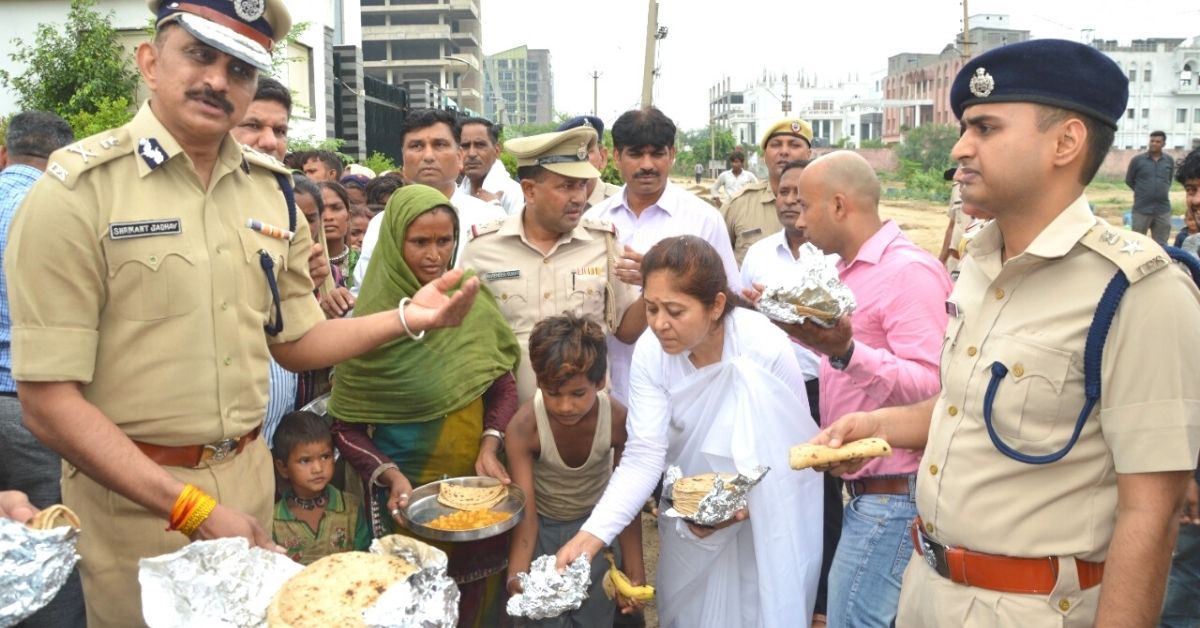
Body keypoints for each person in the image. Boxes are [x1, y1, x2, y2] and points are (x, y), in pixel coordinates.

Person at [4, 3, 483, 625]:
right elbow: (47, 401)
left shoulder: (270, 188)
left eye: (241, 68)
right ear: (149, 62)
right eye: (199, 55)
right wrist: (194, 511)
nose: (217, 80)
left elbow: (298, 338)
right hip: (136, 510)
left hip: (251, 490)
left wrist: (409, 317)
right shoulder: (77, 193)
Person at [814, 39, 1200, 627]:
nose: (961, 148)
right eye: (966, 127)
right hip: (927, 592)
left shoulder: (1138, 290)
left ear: (1065, 143)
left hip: (1031, 609)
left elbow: (1153, 509)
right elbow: (967, 405)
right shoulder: (978, 263)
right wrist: (880, 426)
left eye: (986, 128)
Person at [555, 235, 824, 628]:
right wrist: (591, 536)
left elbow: (797, 453)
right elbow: (645, 455)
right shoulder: (651, 352)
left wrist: (742, 507)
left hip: (769, 516)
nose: (660, 323)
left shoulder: (762, 344)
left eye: (675, 311)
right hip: (691, 518)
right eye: (651, 308)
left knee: (761, 608)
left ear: (716, 305)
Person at [768, 151, 950, 628]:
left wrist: (847, 352)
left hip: (896, 495)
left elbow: (936, 390)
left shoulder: (908, 273)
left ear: (840, 206)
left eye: (806, 207)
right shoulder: (847, 271)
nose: (799, 219)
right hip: (868, 491)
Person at [329, 184, 521, 625]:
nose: (435, 255)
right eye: (420, 242)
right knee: (405, 606)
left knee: (476, 604)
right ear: (395, 243)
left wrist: (490, 444)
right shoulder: (373, 321)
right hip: (405, 503)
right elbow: (345, 425)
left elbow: (503, 386)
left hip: (479, 497)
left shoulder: (472, 302)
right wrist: (390, 475)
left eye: (444, 240)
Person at [462, 127, 645, 403]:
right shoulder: (482, 249)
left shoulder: (603, 243)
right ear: (529, 190)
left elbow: (626, 331)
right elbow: (465, 339)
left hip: (586, 428)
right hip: (507, 426)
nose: (579, 198)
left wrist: (655, 285)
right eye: (566, 186)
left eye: (582, 185)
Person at [738, 158, 841, 627]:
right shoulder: (758, 256)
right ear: (774, 197)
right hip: (773, 394)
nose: (793, 201)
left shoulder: (839, 256)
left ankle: (821, 603)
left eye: (802, 192)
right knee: (778, 490)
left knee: (829, 494)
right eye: (784, 193)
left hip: (828, 392)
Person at [583, 106, 740, 404]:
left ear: (672, 154)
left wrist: (662, 280)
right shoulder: (595, 221)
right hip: (614, 387)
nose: (647, 165)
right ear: (616, 157)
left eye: (657, 154)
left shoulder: (703, 219)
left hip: (685, 387)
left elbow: (728, 299)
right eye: (635, 154)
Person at [0, 110, 85, 628]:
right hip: (35, 407)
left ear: (6, 155)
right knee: (53, 546)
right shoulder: (56, 210)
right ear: (58, 161)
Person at [505, 314, 645, 627]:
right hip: (543, 532)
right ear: (539, 382)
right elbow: (525, 518)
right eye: (554, 393)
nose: (565, 406)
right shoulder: (525, 428)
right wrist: (516, 578)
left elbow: (627, 502)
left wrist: (634, 568)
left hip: (599, 532)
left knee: (598, 616)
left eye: (578, 394)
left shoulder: (618, 420)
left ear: (600, 382)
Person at [351, 109, 506, 302]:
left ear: (459, 157)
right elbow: (365, 292)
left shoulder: (491, 219)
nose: (428, 156)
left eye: (439, 145)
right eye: (416, 146)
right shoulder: (382, 223)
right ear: (403, 158)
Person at [271, 410, 370, 565]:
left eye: (325, 457)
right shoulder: (274, 521)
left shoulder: (351, 508)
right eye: (305, 461)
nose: (317, 468)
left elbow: (364, 560)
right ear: (283, 468)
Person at [722, 117, 814, 264]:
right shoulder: (738, 205)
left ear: (809, 154)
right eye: (776, 145)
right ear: (764, 155)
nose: (784, 151)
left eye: (794, 145)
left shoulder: (825, 207)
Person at [458, 116, 523, 216]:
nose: (471, 154)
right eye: (465, 146)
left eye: (480, 145)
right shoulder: (456, 193)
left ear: (497, 150)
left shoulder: (514, 193)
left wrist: (494, 209)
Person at [556, 115, 622, 208]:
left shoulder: (623, 203)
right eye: (570, 153)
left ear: (602, 157)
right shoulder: (551, 204)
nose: (579, 159)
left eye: (585, 151)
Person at [1126, 130, 1176, 245]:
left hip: (1162, 210)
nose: (1154, 143)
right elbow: (1129, 180)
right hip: (1141, 209)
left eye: (1157, 141)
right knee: (1136, 243)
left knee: (1162, 245)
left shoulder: (1168, 161)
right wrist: (1143, 192)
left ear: (1163, 144)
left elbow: (1168, 180)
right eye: (1152, 141)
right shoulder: (1137, 160)